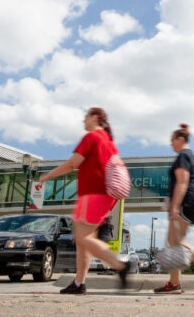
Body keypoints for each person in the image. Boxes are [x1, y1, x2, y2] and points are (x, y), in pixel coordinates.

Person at [34, 107, 133, 294]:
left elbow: (72, 163)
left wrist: (48, 176)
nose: (83, 121)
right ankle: (79, 283)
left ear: (95, 118)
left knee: (83, 237)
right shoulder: (108, 142)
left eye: (86, 116)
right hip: (102, 195)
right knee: (83, 241)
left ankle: (120, 265)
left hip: (93, 194)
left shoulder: (92, 137)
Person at [154, 124, 194, 294]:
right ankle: (174, 284)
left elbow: (182, 181)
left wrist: (174, 206)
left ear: (180, 139)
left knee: (178, 242)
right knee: (174, 243)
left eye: (172, 140)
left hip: (184, 205)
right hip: (189, 205)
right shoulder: (189, 156)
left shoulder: (183, 156)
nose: (170, 144)